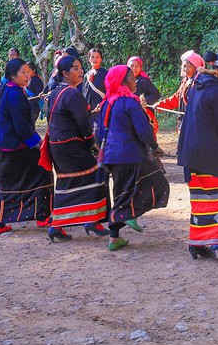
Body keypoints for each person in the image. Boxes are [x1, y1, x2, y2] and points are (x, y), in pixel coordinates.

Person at [177, 51, 218, 259]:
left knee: (202, 198)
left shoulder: (198, 85)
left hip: (191, 152)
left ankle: (198, 242)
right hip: (209, 152)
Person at [99, 64, 170, 252]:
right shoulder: (130, 102)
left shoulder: (108, 102)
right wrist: (154, 147)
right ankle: (126, 214)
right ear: (123, 81)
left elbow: (101, 132)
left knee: (121, 192)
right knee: (155, 182)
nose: (135, 80)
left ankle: (114, 238)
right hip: (130, 155)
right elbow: (143, 130)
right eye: (131, 77)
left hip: (112, 156)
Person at [44, 56, 109, 241]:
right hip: (70, 145)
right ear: (65, 73)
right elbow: (83, 123)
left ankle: (63, 224)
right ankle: (89, 220)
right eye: (75, 68)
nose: (80, 71)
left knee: (68, 182)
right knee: (97, 174)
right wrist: (91, 144)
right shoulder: (72, 94)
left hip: (58, 145)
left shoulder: (57, 91)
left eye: (81, 68)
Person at [0, 58, 52, 235]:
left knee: (8, 184)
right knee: (43, 172)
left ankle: (1, 223)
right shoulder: (15, 94)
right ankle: (42, 216)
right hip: (15, 146)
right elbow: (21, 126)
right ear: (12, 75)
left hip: (5, 145)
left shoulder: (8, 88)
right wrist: (37, 143)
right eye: (23, 73)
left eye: (28, 72)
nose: (28, 75)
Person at [155, 50, 204, 130]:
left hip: (196, 123)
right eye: (184, 66)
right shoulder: (185, 81)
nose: (186, 69)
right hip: (184, 121)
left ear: (196, 68)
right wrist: (161, 105)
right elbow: (177, 98)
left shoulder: (200, 84)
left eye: (189, 67)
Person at [127, 56, 161, 135]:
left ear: (141, 68)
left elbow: (156, 94)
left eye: (137, 66)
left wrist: (144, 100)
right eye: (132, 66)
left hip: (144, 113)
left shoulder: (143, 81)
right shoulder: (124, 81)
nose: (134, 68)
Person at [82, 48, 107, 114]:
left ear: (101, 59)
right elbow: (84, 92)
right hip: (89, 110)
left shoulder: (105, 74)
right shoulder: (86, 75)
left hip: (101, 107)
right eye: (92, 57)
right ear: (89, 59)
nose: (95, 59)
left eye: (97, 57)